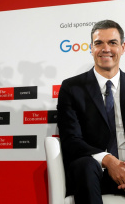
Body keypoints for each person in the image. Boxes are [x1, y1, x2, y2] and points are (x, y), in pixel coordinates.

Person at [57, 20, 125, 204]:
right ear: (91, 48)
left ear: (122, 47)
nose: (105, 48)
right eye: (98, 43)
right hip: (93, 174)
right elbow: (71, 140)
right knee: (85, 165)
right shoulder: (72, 88)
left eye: (112, 42)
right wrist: (109, 161)